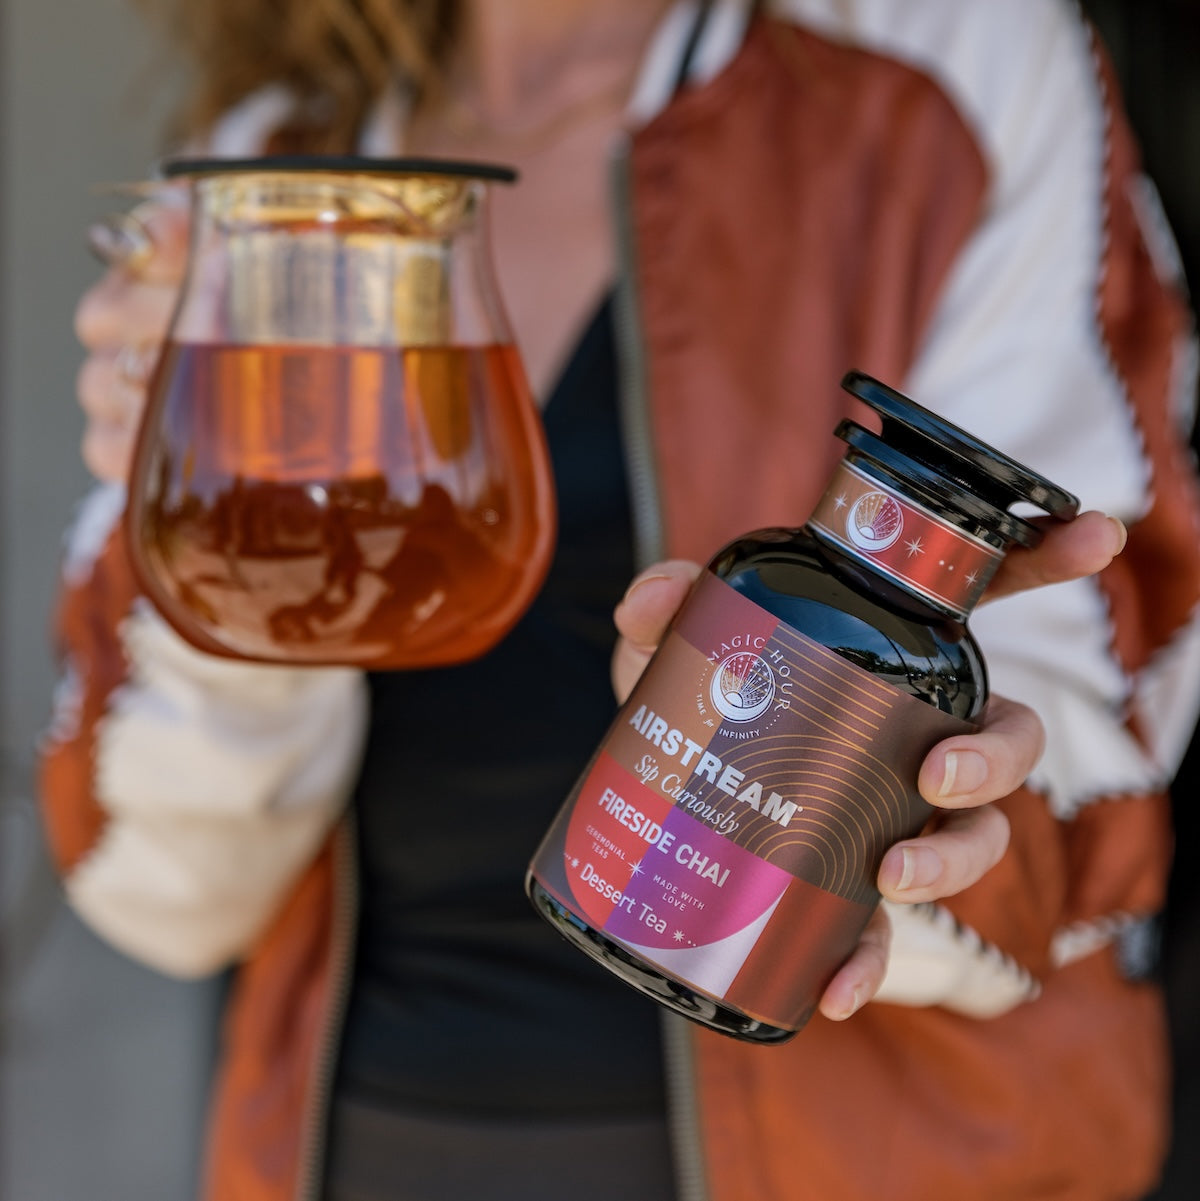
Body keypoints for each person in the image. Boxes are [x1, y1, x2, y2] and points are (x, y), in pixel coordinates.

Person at [38, 1, 1200, 1200]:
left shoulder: (949, 57)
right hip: (365, 1137)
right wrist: (225, 544)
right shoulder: (280, 168)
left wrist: (916, 848)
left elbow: (1093, 748)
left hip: (877, 1152)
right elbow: (159, 890)